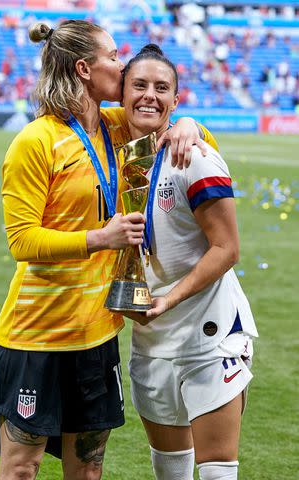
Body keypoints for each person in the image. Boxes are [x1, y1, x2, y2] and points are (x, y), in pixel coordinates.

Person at [0, 21, 215, 480]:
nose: (121, 66)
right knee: (21, 469)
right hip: (34, 338)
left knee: (86, 472)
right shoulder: (35, 141)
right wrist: (99, 238)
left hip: (98, 337)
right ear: (84, 69)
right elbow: (21, 241)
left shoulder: (116, 128)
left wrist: (187, 123)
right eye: (113, 56)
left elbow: (169, 117)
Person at [121, 44, 259, 480]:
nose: (149, 95)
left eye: (162, 88)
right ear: (121, 93)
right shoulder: (126, 158)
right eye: (139, 85)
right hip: (151, 340)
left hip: (208, 336)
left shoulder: (194, 157)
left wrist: (170, 300)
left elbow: (227, 248)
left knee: (217, 471)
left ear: (176, 101)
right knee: (169, 471)